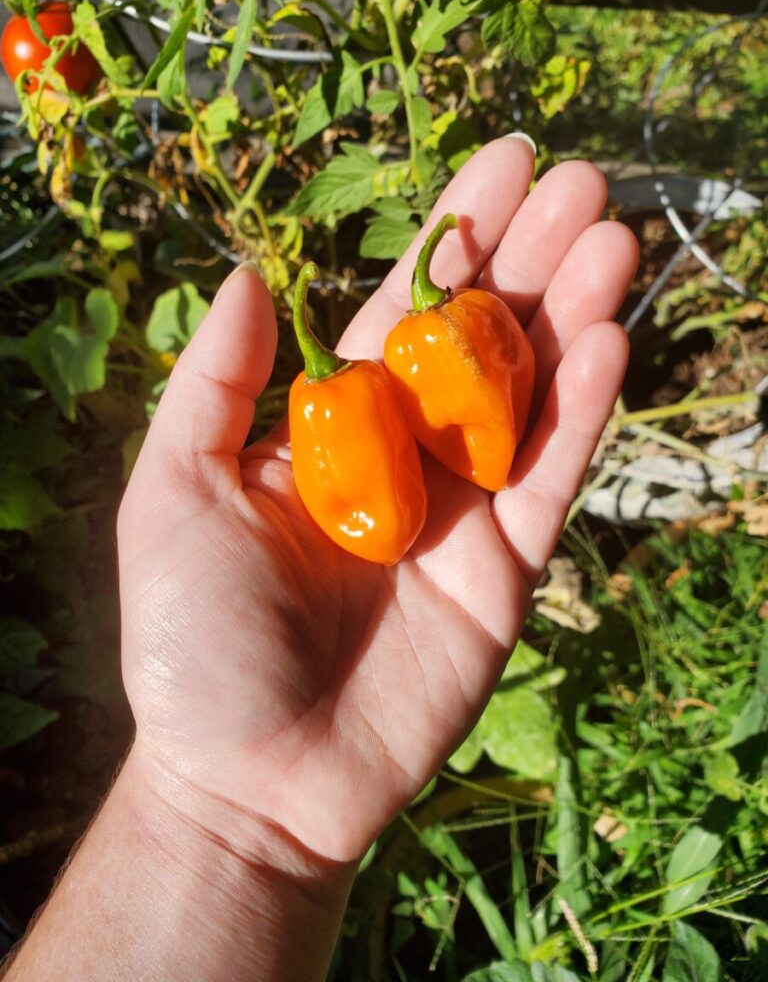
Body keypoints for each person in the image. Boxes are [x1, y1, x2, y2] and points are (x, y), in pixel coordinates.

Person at [1, 136, 638, 981]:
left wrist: (211, 823)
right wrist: (213, 812)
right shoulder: (359, 383)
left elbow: (450, 454)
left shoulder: (391, 366)